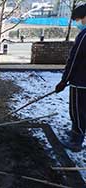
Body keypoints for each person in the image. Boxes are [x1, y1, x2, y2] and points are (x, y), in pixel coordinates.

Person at [55, 3, 86, 152]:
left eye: (78, 19)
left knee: (77, 111)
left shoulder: (84, 36)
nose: (77, 23)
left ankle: (76, 141)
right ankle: (76, 133)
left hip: (80, 83)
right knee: (82, 111)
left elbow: (74, 60)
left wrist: (64, 80)